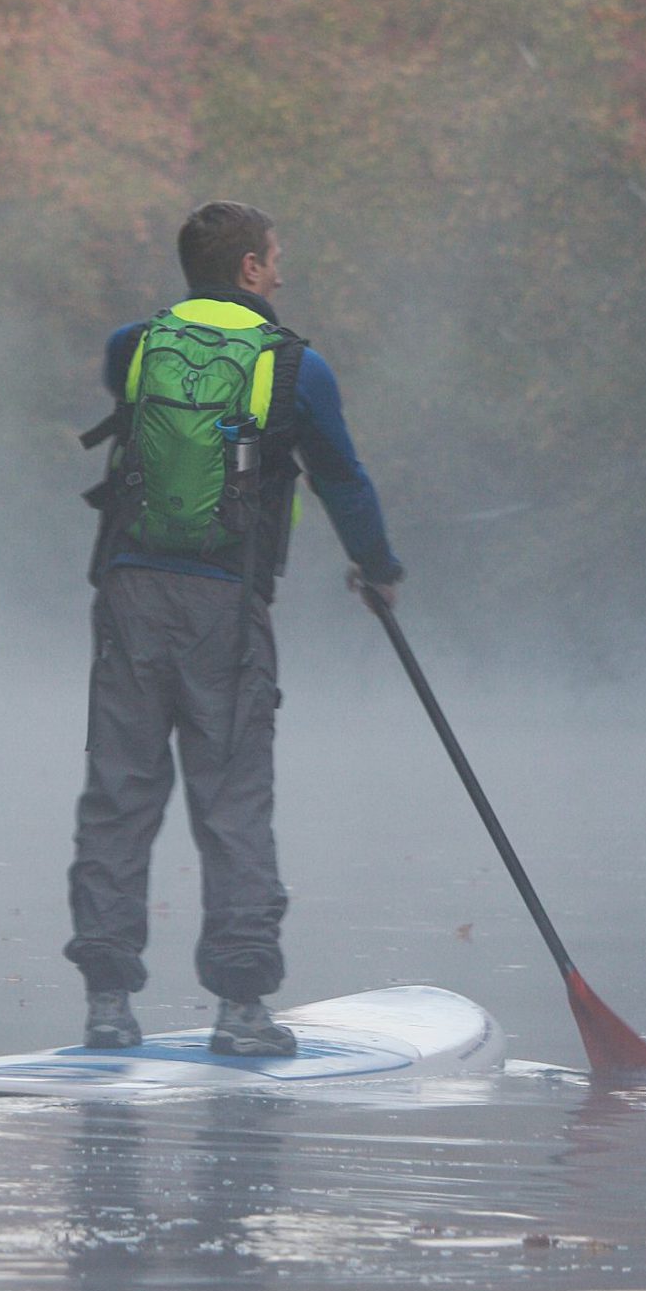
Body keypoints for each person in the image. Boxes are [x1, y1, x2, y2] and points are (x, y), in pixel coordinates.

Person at [67, 200, 404, 1056]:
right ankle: (242, 1010)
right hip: (227, 608)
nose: (281, 273)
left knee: (120, 791)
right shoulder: (297, 368)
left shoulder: (131, 347)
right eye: (274, 258)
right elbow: (345, 481)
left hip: (131, 594)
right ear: (250, 269)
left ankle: (108, 1004)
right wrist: (378, 568)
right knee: (232, 801)